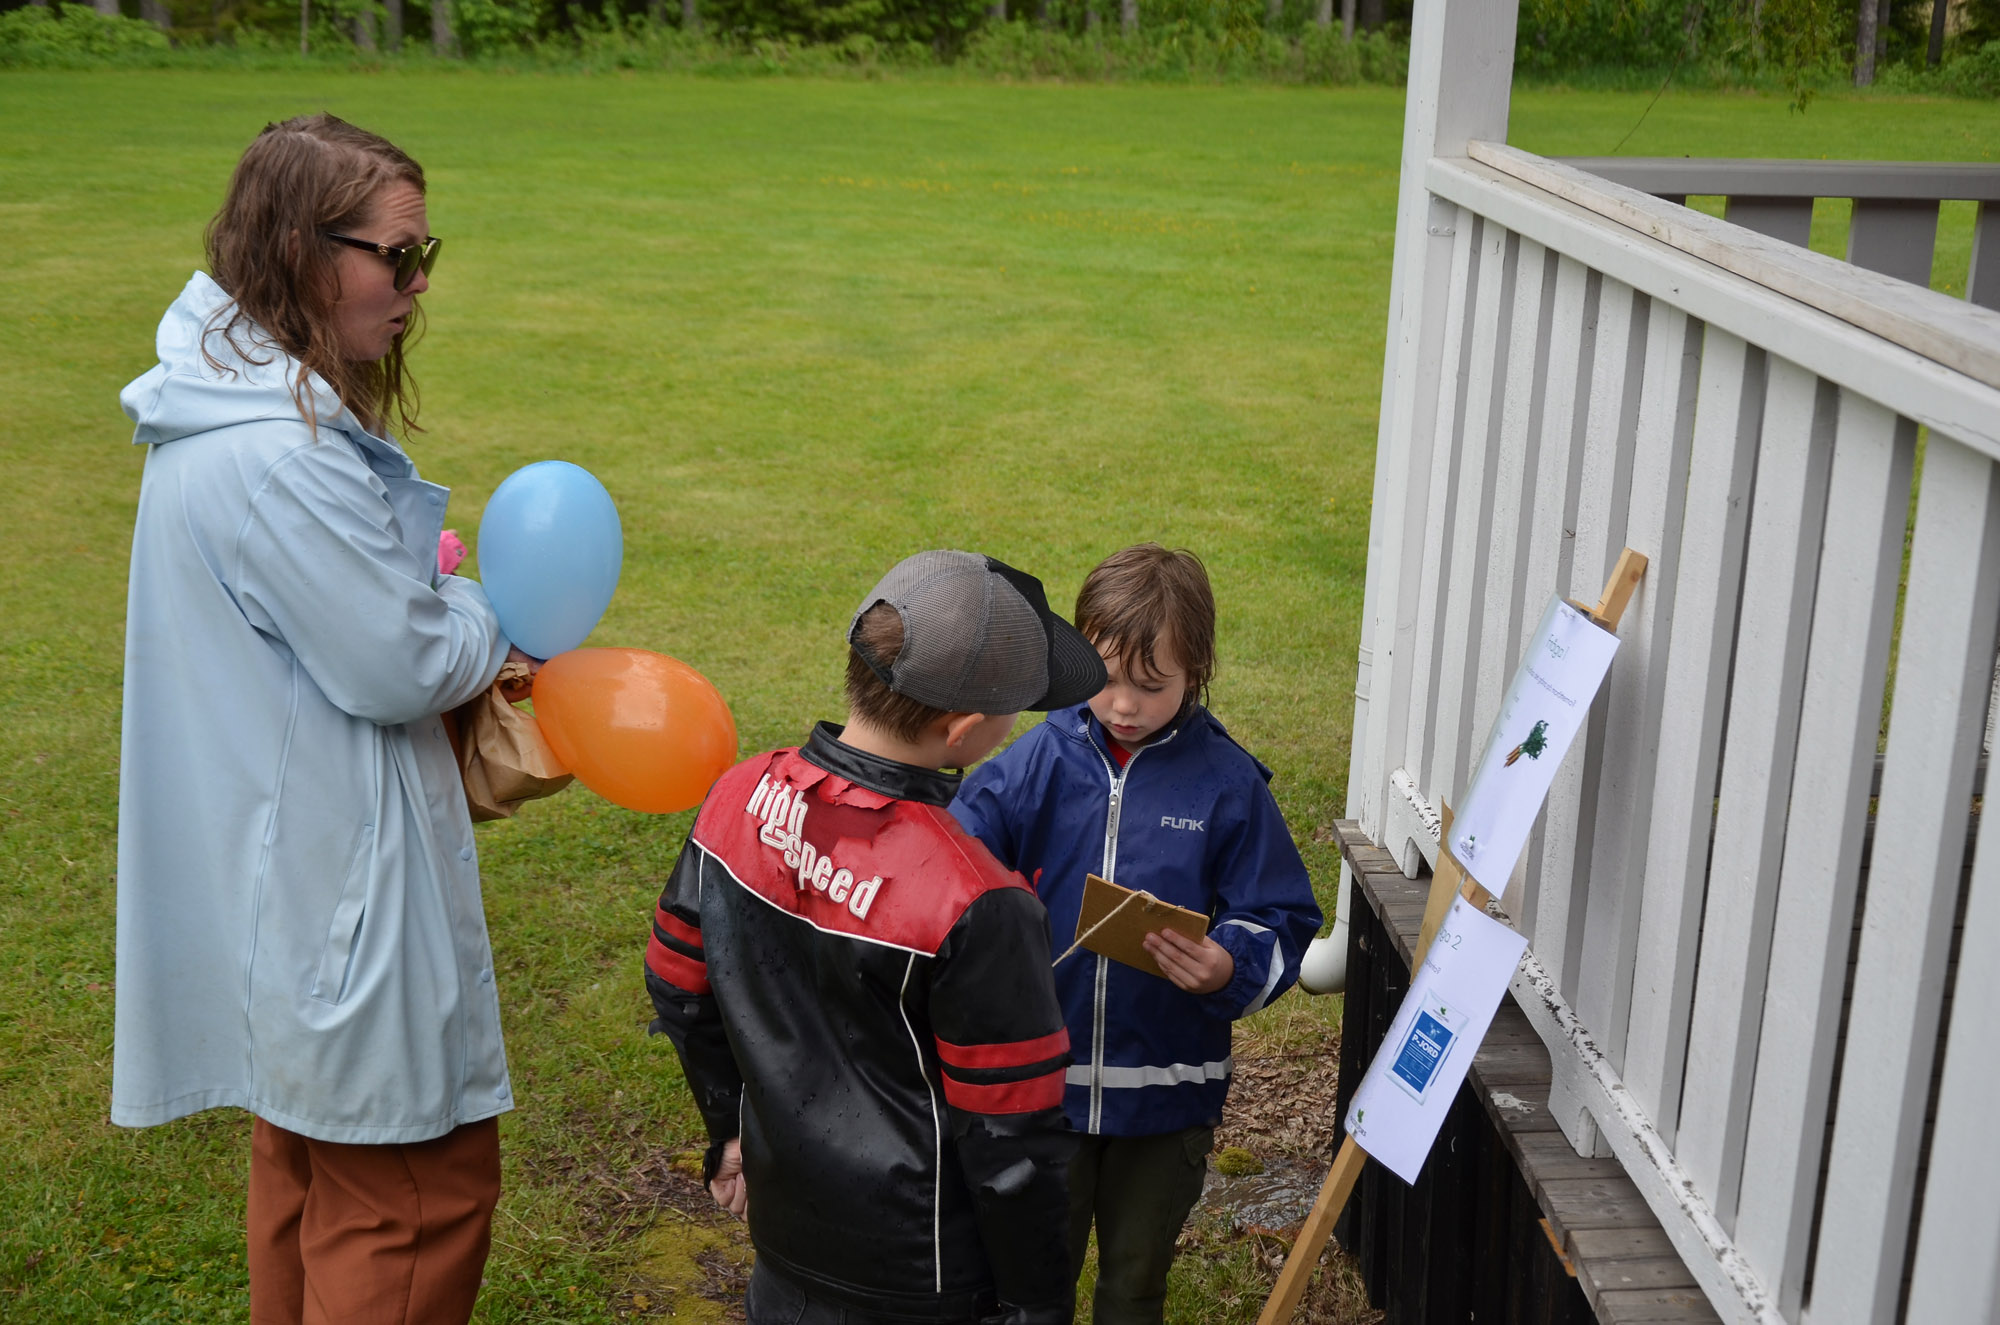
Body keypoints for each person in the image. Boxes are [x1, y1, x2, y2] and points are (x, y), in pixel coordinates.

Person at [113, 114, 525, 1324]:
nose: (416, 284)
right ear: (299, 250)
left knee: (306, 1167)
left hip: (286, 881)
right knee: (410, 1193)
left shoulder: (224, 413)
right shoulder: (280, 458)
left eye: (423, 251)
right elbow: (400, 661)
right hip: (336, 888)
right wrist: (491, 611)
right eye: (392, 255)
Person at [643, 550, 1107, 1325]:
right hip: (923, 1282)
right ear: (961, 730)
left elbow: (677, 983)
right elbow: (1011, 1143)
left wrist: (728, 1132)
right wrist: (1035, 1308)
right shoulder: (977, 900)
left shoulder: (736, 795)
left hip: (783, 1251)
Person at [949, 544, 1323, 1325]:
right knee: (1029, 1286)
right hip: (1043, 1091)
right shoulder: (1038, 757)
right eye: (1104, 678)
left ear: (1198, 673)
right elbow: (957, 852)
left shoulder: (1228, 783)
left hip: (1167, 1097)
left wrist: (1229, 964)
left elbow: (1282, 915)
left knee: (1133, 1286)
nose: (1122, 703)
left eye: (1151, 686)